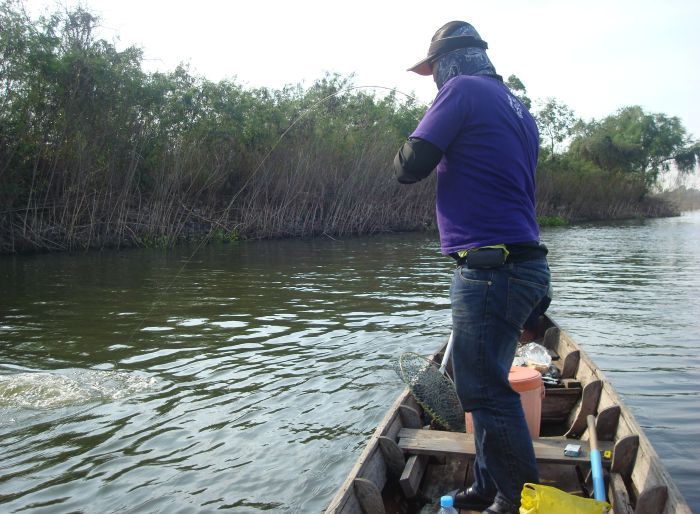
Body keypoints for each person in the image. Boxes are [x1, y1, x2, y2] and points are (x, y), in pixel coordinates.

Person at [394, 21, 551, 514]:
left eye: (435, 68)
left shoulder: (460, 90)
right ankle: (487, 485)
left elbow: (409, 166)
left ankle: (516, 497)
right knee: (481, 383)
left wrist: (408, 139)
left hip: (490, 272)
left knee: (482, 387)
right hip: (525, 267)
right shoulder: (518, 109)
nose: (435, 78)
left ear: (453, 61)